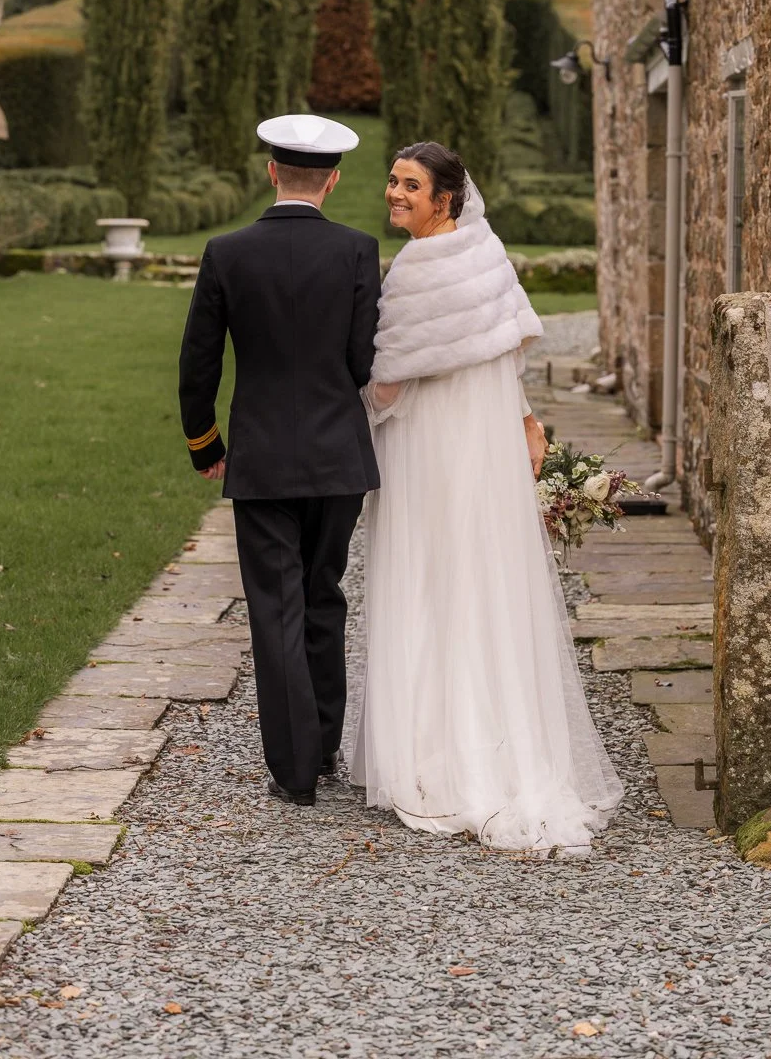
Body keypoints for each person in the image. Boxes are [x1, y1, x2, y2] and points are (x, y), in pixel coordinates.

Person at [349, 141, 624, 854]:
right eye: (392, 180)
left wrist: (347, 403)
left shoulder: (414, 268)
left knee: (430, 581)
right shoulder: (488, 253)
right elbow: (505, 353)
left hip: (428, 445)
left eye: (410, 185)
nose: (394, 193)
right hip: (476, 441)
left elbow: (389, 382)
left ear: (445, 199)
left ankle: (438, 755)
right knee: (476, 581)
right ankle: (493, 742)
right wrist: (525, 420)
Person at [179, 114, 381, 807]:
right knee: (323, 594)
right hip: (337, 459)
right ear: (332, 179)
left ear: (271, 172)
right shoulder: (358, 251)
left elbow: (198, 363)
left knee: (276, 607)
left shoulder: (225, 252)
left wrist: (205, 444)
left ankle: (294, 770)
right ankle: (322, 743)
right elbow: (362, 361)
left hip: (262, 461)